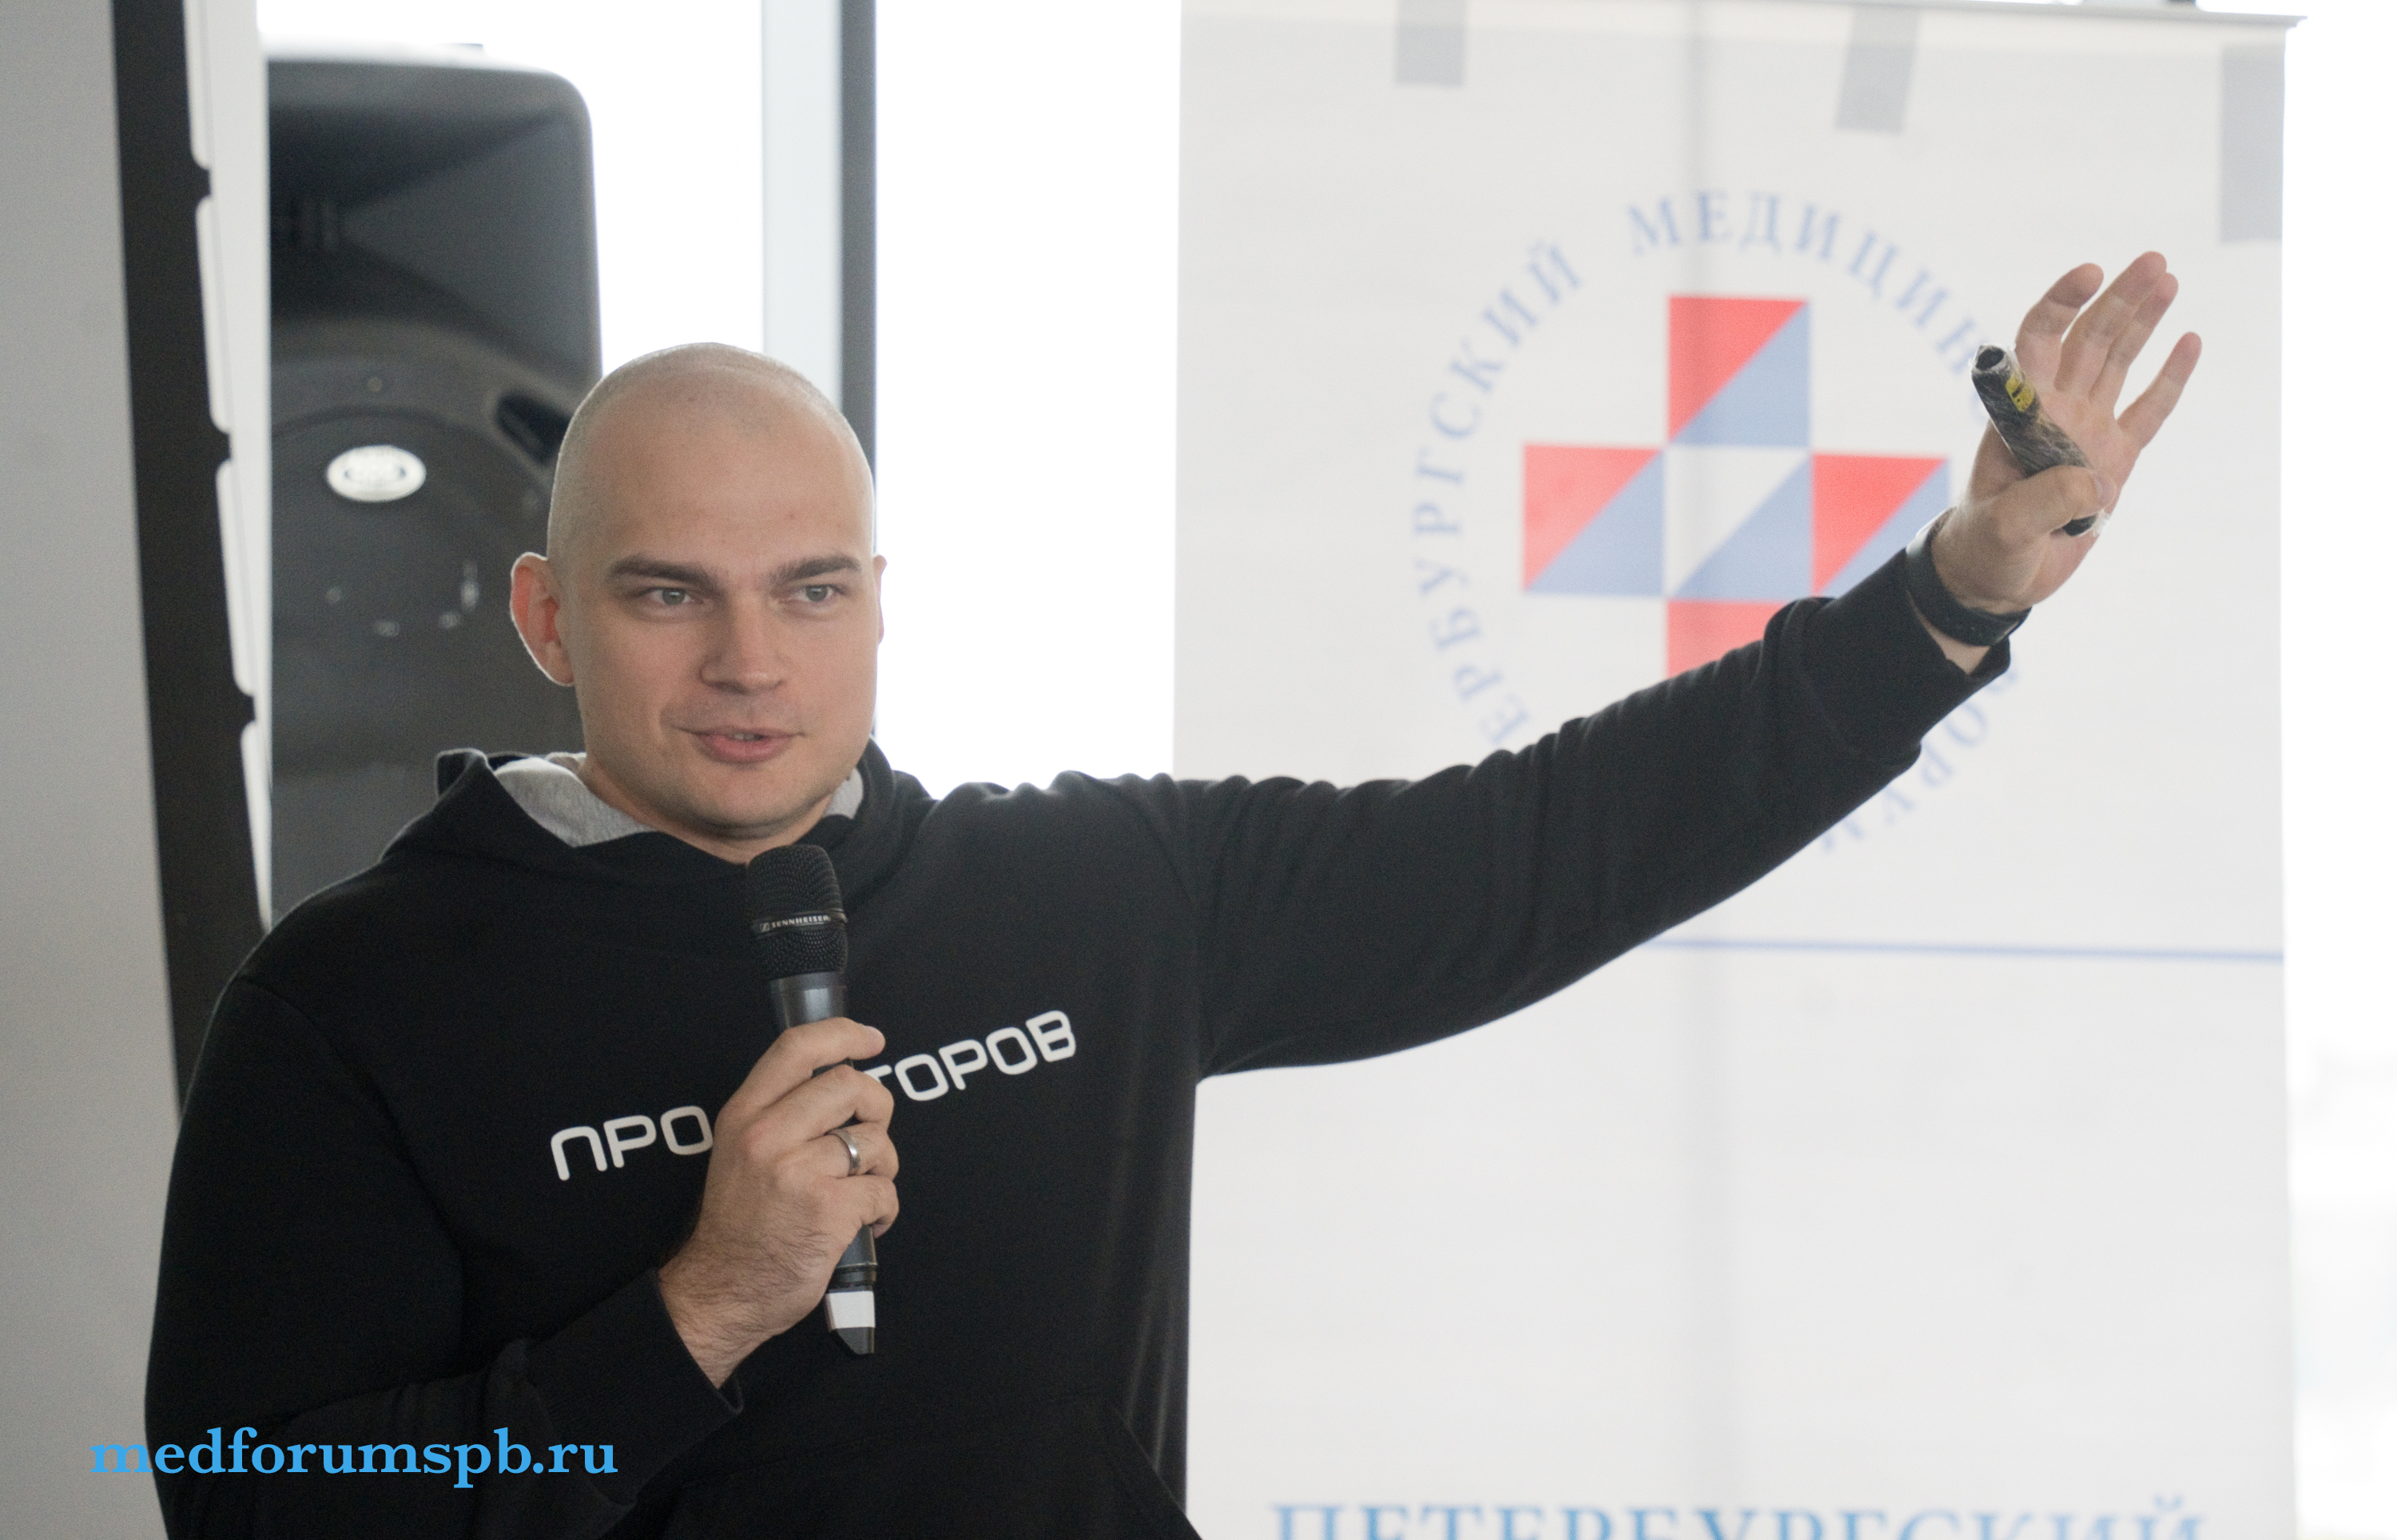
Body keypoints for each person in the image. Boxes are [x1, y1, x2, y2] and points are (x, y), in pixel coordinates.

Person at [145, 256, 2198, 1537]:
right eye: (670, 593)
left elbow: (1548, 848)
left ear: (882, 606)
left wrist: (1948, 603)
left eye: (813, 590)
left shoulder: (1090, 891)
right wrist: (698, 1313)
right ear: (544, 615)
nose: (752, 662)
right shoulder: (352, 1002)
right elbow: (251, 1504)